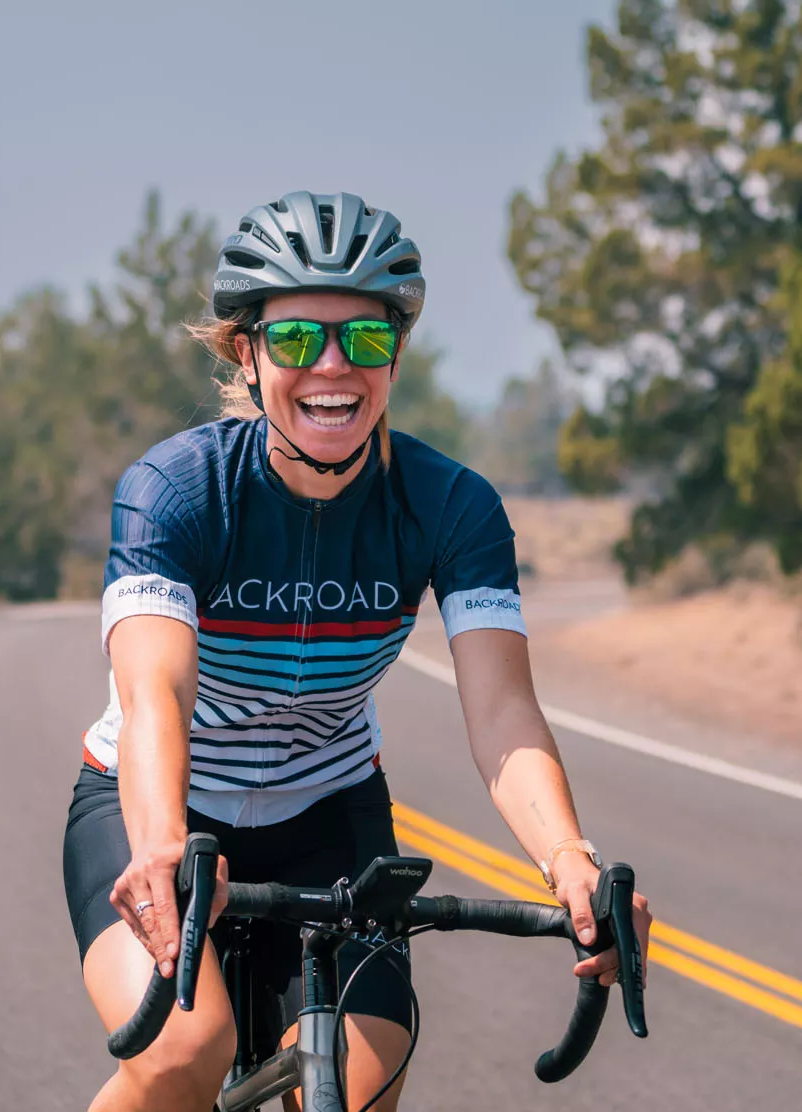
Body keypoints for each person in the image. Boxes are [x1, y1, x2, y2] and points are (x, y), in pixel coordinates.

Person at [61, 190, 651, 1112]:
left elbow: (501, 710)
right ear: (247, 353)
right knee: (184, 1053)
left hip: (329, 816)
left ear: (397, 356)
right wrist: (165, 846)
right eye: (298, 339)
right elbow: (155, 698)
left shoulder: (452, 506)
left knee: (354, 1090)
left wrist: (569, 859)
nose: (332, 367)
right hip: (164, 813)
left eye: (364, 340)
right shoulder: (174, 491)